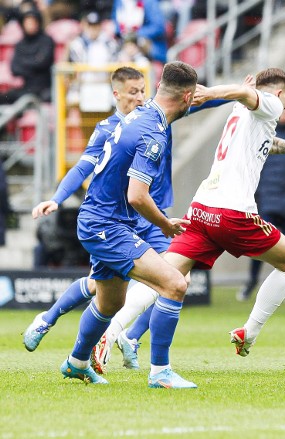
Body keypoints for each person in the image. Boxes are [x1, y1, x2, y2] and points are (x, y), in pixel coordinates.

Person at [98, 68, 285, 372]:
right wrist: (212, 93)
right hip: (234, 212)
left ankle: (111, 333)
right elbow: (246, 93)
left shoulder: (244, 114)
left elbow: (267, 144)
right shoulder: (266, 102)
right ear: (277, 94)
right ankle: (249, 333)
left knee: (165, 274)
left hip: (202, 207)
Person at [23, 67, 229, 358]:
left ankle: (126, 339)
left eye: (142, 90)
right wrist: (58, 198)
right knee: (105, 287)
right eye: (132, 92)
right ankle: (49, 319)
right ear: (116, 94)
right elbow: (84, 166)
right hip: (121, 216)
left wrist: (235, 96)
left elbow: (196, 102)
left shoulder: (157, 116)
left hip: (148, 218)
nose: (139, 97)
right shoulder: (111, 128)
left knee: (175, 279)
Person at [58, 61, 198, 388]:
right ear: (188, 97)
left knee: (110, 303)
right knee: (175, 284)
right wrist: (164, 224)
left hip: (99, 219)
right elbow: (137, 195)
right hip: (108, 225)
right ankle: (160, 371)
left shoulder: (139, 113)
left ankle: (77, 362)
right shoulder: (153, 132)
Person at [236, 98, 285, 304]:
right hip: (269, 201)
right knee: (259, 247)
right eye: (282, 108)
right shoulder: (265, 133)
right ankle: (251, 284)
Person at [0, 8, 54, 104]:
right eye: (28, 22)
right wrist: (33, 63)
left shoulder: (46, 41)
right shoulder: (20, 44)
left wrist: (24, 63)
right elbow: (14, 68)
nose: (31, 25)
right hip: (26, 87)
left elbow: (43, 62)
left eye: (33, 22)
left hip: (43, 89)